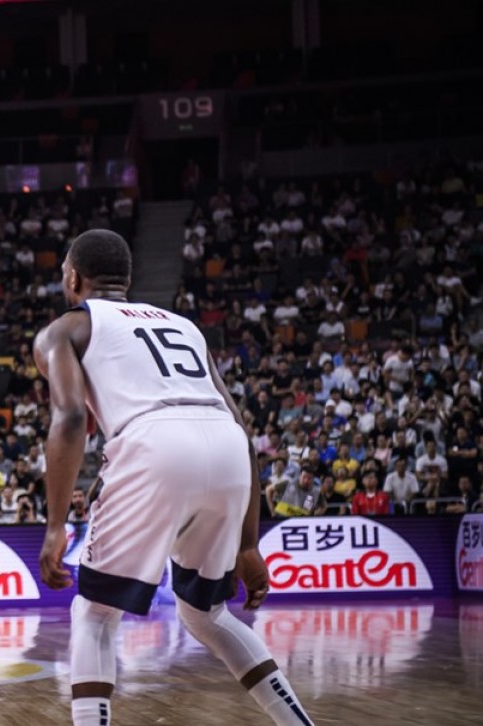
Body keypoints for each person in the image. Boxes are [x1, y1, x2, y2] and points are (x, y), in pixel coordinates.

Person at [35, 230, 312, 726]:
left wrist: (56, 525)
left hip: (153, 444)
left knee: (94, 613)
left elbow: (70, 418)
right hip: (226, 445)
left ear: (73, 278)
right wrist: (249, 543)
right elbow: (241, 427)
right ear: (126, 280)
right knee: (206, 614)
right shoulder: (183, 325)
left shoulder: (66, 329)